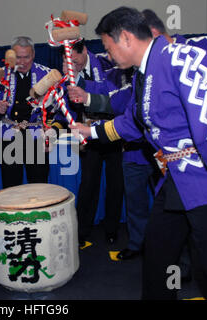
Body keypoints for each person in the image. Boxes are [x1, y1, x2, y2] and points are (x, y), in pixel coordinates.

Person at [71, 6, 207, 299]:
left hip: (206, 180)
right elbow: (132, 123)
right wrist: (91, 132)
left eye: (108, 46)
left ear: (126, 38)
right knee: (159, 252)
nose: (108, 55)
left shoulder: (183, 57)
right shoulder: (143, 75)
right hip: (175, 179)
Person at [61, 39, 131, 246]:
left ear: (84, 51)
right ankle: (83, 230)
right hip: (88, 133)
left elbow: (108, 93)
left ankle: (111, 229)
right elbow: (68, 102)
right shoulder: (68, 72)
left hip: (113, 131)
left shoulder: (106, 63)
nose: (73, 65)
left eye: (75, 60)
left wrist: (79, 82)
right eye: (68, 62)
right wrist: (68, 79)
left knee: (115, 183)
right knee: (88, 183)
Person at [0, 36, 65, 189]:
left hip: (36, 136)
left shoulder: (47, 75)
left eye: (26, 57)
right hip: (9, 135)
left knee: (39, 184)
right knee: (11, 186)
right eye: (18, 57)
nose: (22, 62)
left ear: (33, 54)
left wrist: (52, 128)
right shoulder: (1, 76)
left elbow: (60, 107)